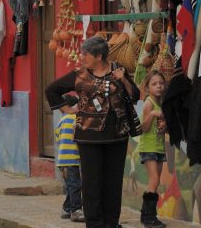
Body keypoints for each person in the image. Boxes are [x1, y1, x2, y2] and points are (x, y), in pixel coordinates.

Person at [46, 36, 140, 228]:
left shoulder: (118, 70)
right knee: (91, 184)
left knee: (113, 184)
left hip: (117, 136)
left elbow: (135, 96)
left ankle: (111, 223)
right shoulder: (79, 74)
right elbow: (52, 89)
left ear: (98, 56)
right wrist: (67, 109)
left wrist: (125, 80)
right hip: (88, 138)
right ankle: (95, 224)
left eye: (85, 54)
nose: (81, 57)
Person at [139, 71, 167, 228]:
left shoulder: (161, 103)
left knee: (155, 181)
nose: (159, 86)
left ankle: (145, 215)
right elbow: (143, 128)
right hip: (149, 146)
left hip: (158, 146)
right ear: (147, 87)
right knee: (154, 180)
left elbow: (161, 129)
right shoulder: (149, 103)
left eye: (161, 83)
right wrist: (152, 114)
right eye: (154, 84)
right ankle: (150, 218)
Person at [55, 94, 84, 222]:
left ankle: (67, 209)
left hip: (62, 159)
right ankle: (76, 210)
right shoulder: (76, 119)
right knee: (75, 185)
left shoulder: (61, 121)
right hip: (72, 158)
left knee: (71, 185)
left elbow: (57, 138)